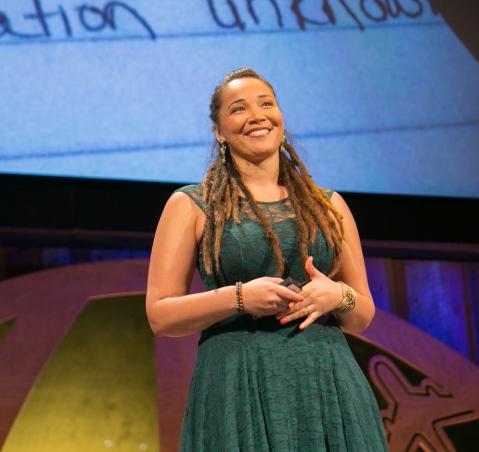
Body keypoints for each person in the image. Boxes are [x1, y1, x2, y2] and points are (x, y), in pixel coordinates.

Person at [146, 68, 388, 451]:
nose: (257, 115)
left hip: (328, 384)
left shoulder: (329, 205)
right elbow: (160, 316)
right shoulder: (191, 205)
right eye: (239, 108)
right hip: (237, 384)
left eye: (266, 104)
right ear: (219, 131)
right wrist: (239, 298)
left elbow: (362, 316)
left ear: (280, 117)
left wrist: (336, 296)